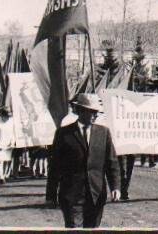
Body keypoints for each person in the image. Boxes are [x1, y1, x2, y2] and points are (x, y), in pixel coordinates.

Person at [48, 93, 121, 228]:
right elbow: (55, 166)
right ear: (80, 111)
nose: (95, 115)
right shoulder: (64, 134)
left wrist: (115, 187)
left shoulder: (104, 132)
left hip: (96, 194)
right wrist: (50, 194)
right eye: (91, 112)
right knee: (74, 227)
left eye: (96, 113)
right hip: (71, 194)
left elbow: (112, 162)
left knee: (93, 228)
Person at [0, 107, 16, 184]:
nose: (7, 117)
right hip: (0, 144)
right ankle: (1, 177)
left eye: (8, 116)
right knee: (0, 160)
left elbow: (13, 133)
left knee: (7, 160)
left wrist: (12, 142)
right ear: (1, 115)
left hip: (9, 144)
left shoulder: (11, 122)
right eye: (5, 116)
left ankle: (4, 174)